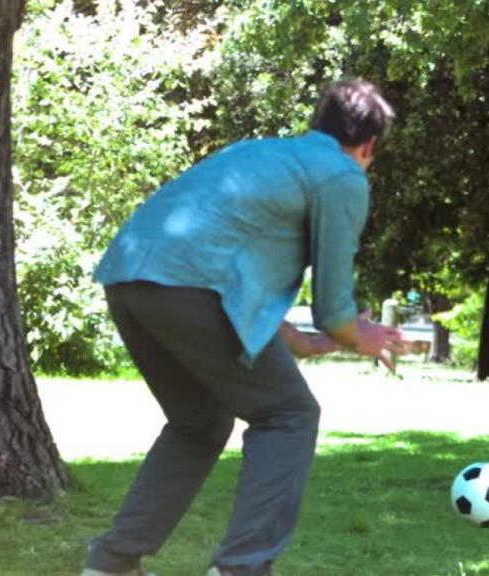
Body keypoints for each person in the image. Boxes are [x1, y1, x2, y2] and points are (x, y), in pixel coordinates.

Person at [80, 79, 408, 576]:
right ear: (369, 146)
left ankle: (112, 564)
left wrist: (313, 345)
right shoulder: (342, 175)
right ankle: (241, 569)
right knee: (290, 414)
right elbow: (335, 312)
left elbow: (242, 289)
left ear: (318, 124)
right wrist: (364, 336)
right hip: (187, 285)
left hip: (129, 275)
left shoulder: (265, 155)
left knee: (200, 421)